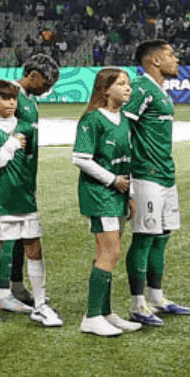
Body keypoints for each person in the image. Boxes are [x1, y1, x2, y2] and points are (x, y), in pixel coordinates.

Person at [0, 79, 62, 329]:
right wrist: (11, 145)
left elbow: (29, 163)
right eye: (5, 98)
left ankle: (41, 305)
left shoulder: (27, 127)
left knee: (34, 250)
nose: (11, 103)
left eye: (13, 98)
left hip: (24, 199)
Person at [122, 39, 190, 323]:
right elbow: (123, 128)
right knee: (144, 237)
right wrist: (125, 176)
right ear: (155, 61)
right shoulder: (141, 88)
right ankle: (137, 304)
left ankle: (156, 298)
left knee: (161, 238)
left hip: (165, 173)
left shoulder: (160, 92)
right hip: (145, 175)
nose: (177, 59)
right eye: (171, 55)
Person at [73, 66, 141, 337]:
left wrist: (131, 194)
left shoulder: (124, 120)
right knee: (109, 253)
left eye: (128, 84)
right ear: (105, 88)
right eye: (121, 84)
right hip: (100, 195)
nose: (128, 88)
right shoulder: (92, 120)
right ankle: (91, 316)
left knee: (108, 253)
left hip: (118, 195)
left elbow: (129, 162)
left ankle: (105, 311)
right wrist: (112, 181)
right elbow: (80, 158)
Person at [0, 53, 59, 313]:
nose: (48, 90)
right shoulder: (10, 96)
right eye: (46, 83)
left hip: (25, 175)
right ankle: (1, 292)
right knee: (8, 233)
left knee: (23, 232)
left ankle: (17, 285)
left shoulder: (29, 99)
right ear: (33, 76)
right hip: (11, 174)